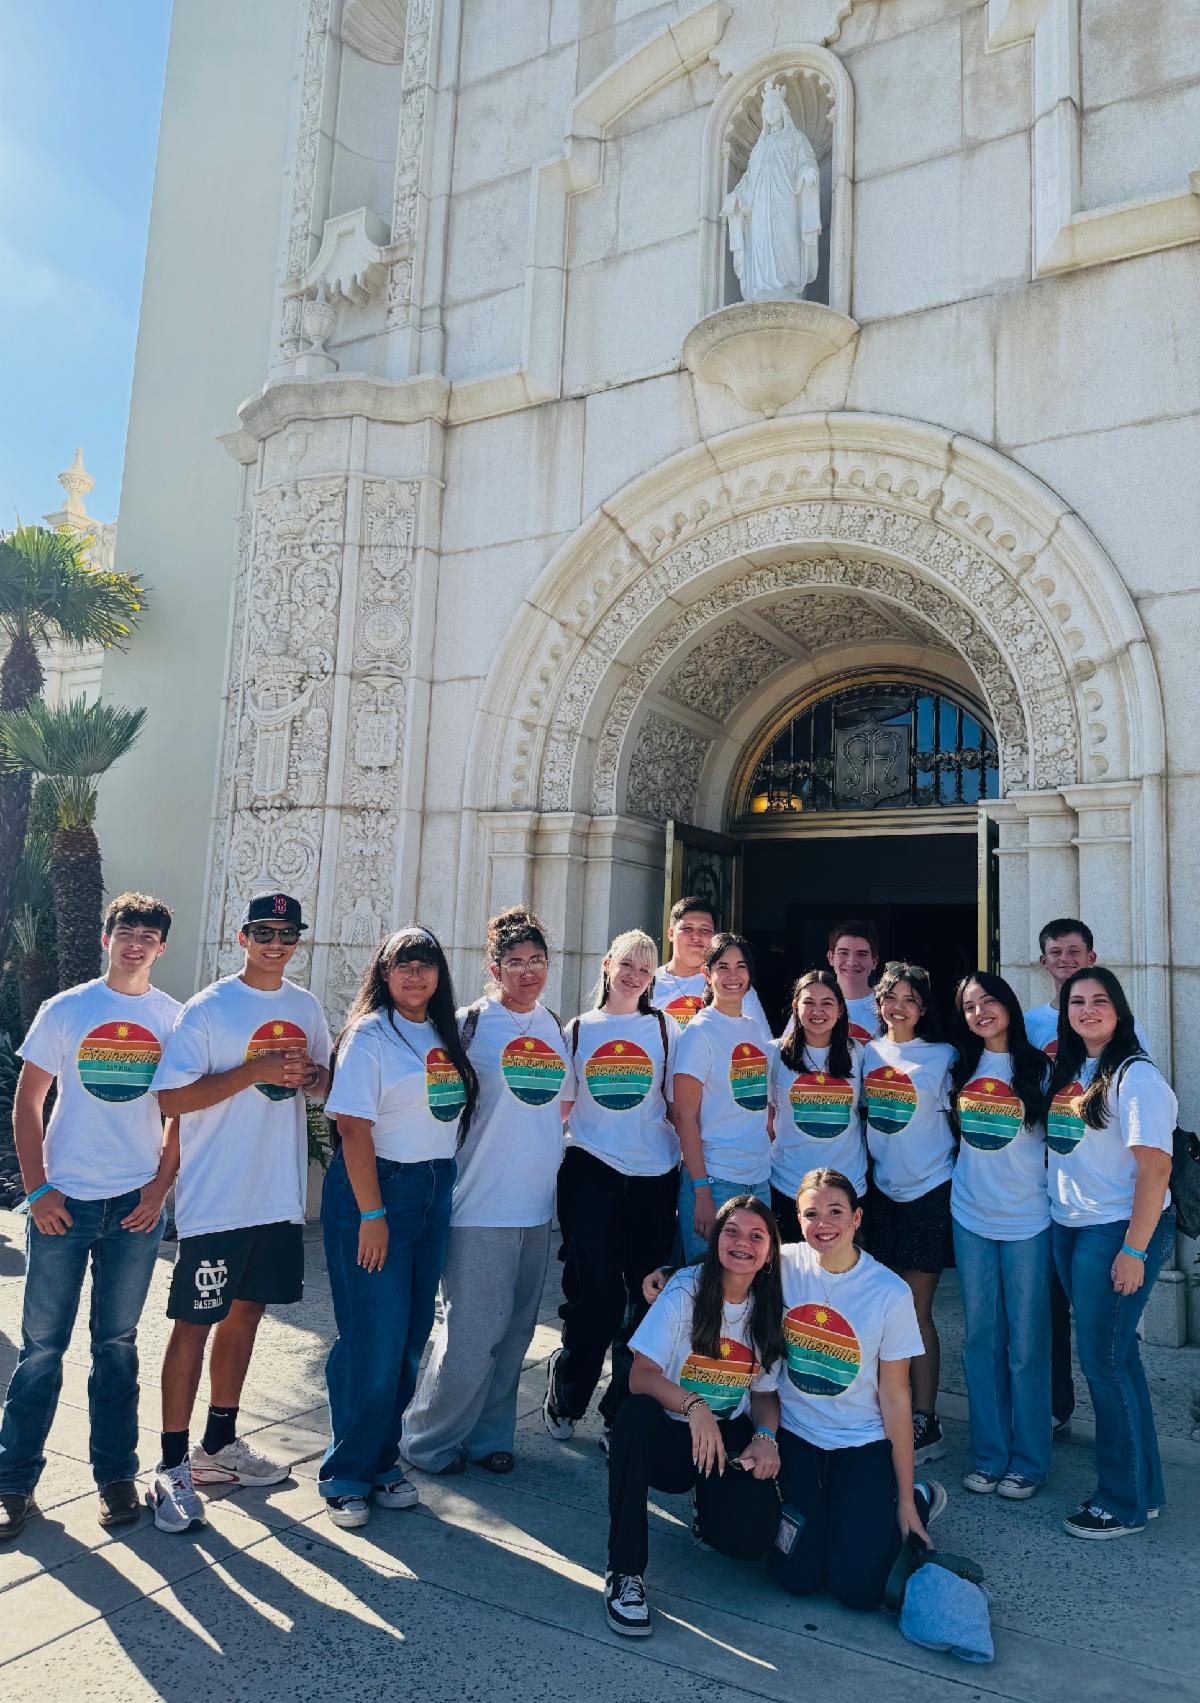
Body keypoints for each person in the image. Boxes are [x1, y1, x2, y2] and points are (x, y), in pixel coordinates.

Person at [147, 891, 331, 1533]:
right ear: (242, 937)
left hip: (276, 1195)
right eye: (264, 932)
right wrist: (255, 1069)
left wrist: (311, 1078)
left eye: (287, 933)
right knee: (194, 1324)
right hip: (217, 1199)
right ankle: (171, 1465)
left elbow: (324, 1083)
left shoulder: (305, 1007)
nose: (276, 944)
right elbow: (171, 1099)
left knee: (246, 1314)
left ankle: (218, 1445)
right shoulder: (209, 1007)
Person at [0, 894, 181, 1542]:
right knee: (42, 1349)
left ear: (161, 947)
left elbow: (181, 1113)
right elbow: (28, 1102)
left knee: (117, 1346)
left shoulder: (172, 1018)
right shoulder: (68, 1009)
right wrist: (40, 1190)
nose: (136, 944)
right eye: (126, 932)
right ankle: (13, 1483)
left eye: (148, 936)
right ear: (107, 938)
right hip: (65, 1204)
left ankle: (115, 1477)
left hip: (134, 1208)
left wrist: (159, 1189)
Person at [319, 926, 478, 1527]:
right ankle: (346, 1473)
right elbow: (352, 1128)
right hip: (378, 1189)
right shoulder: (369, 1035)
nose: (415, 975)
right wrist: (372, 1214)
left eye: (426, 965)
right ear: (383, 974)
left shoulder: (441, 1033)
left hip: (433, 1188)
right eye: (403, 965)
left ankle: (382, 1459)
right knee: (373, 1338)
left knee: (411, 1335)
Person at [402, 908, 568, 1476]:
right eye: (515, 962)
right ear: (494, 969)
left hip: (535, 1209)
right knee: (472, 1335)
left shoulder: (554, 1025)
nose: (528, 972)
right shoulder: (466, 1026)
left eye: (537, 961)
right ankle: (427, 1441)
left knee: (516, 1333)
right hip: (477, 1205)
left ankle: (489, 1436)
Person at [604, 1195, 785, 1637]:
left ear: (769, 1254)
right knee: (633, 1419)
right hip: (669, 1435)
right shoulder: (685, 1290)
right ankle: (624, 1572)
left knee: (751, 1540)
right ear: (716, 1239)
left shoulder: (769, 1308)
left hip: (722, 1442)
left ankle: (708, 1508)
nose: (742, 1243)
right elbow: (641, 1376)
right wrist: (694, 1405)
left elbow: (764, 1394)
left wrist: (766, 1437)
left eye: (756, 1236)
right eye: (732, 1231)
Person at [767, 1169, 945, 1609]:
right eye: (811, 1214)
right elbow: (722, 1265)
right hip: (797, 1437)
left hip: (861, 1442)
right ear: (798, 1219)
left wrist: (905, 1499)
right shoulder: (782, 1265)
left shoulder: (889, 1292)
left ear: (857, 1218)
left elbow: (895, 1398)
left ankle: (917, 1498)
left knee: (858, 1590)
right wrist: (667, 1274)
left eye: (835, 1211)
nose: (823, 1223)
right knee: (797, 1577)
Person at [1046, 967, 1175, 1539]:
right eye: (1077, 1001)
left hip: (1116, 1231)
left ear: (1119, 1011)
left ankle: (1120, 1503)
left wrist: (1134, 1250)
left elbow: (1156, 1169)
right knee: (1121, 1361)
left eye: (1100, 1000)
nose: (1088, 1010)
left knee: (1103, 1363)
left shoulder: (1136, 1076)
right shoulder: (1074, 1070)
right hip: (1074, 1226)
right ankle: (1145, 1491)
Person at [543, 930, 680, 1450]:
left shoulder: (665, 1028)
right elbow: (560, 1108)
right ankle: (568, 1391)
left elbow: (680, 1105)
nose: (634, 976)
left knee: (645, 1298)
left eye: (645, 969)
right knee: (596, 1293)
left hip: (654, 1177)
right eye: (627, 965)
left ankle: (619, 1409)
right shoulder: (578, 1030)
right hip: (591, 1168)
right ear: (606, 965)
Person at [1023, 917, 1150, 1441]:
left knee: (1107, 1351)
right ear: (1043, 962)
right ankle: (1060, 1410)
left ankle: (1127, 1468)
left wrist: (1135, 1248)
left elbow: (1150, 1156)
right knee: (1059, 1315)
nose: (1066, 960)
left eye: (1074, 952)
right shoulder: (1036, 1030)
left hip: (1108, 1212)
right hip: (1055, 1198)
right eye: (1056, 952)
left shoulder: (1130, 1061)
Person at [949, 974, 1052, 1500]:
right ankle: (990, 1456)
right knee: (981, 1339)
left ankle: (1029, 1460)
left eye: (988, 1001)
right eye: (970, 1006)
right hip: (971, 1215)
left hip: (1029, 1219)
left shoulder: (1042, 1068)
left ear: (1009, 1005)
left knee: (1027, 1345)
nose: (980, 1012)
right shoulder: (959, 1066)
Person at [861, 962, 957, 1465]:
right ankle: (888, 1409)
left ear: (923, 1008)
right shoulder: (866, 1054)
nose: (899, 1008)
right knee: (882, 1312)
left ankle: (926, 1419)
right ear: (879, 1003)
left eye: (910, 1000)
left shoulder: (944, 1056)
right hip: (881, 1195)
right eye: (891, 998)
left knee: (916, 1312)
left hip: (929, 1191)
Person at [674, 933, 774, 1263]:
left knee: (753, 1279)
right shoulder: (698, 1032)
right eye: (723, 967)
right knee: (708, 1283)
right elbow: (685, 1117)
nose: (733, 975)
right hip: (716, 1180)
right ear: (707, 974)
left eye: (741, 966)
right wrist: (701, 1190)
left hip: (758, 1179)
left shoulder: (755, 1029)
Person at [768, 969, 866, 1243]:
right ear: (795, 1007)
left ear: (840, 1010)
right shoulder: (773, 1054)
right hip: (788, 1185)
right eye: (808, 1002)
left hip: (847, 1187)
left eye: (827, 1003)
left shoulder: (859, 1054)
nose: (817, 1011)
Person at [652, 895, 772, 1040]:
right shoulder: (646, 984)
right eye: (688, 928)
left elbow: (764, 1046)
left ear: (715, 936)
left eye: (705, 930)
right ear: (670, 934)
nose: (696, 936)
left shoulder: (734, 986)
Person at [826, 920, 883, 1042]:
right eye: (843, 953)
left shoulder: (887, 1006)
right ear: (831, 958)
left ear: (874, 962)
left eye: (861, 954)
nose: (852, 962)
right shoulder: (812, 1003)